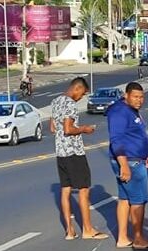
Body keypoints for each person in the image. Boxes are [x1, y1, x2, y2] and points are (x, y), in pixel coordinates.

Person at [51, 77, 108, 241]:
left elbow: (53, 127)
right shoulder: (69, 103)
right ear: (77, 88)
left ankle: (69, 231)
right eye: (82, 94)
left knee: (65, 190)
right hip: (74, 152)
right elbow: (68, 129)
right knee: (84, 189)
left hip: (61, 152)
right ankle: (88, 229)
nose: (81, 97)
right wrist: (84, 129)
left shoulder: (56, 101)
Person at [106, 82, 148, 251]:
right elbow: (117, 140)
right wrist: (124, 165)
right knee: (138, 200)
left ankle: (122, 237)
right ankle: (138, 238)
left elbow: (135, 135)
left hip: (136, 158)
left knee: (125, 199)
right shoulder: (120, 112)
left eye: (141, 97)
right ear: (126, 95)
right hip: (130, 162)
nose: (139, 100)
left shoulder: (130, 110)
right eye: (135, 97)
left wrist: (146, 153)